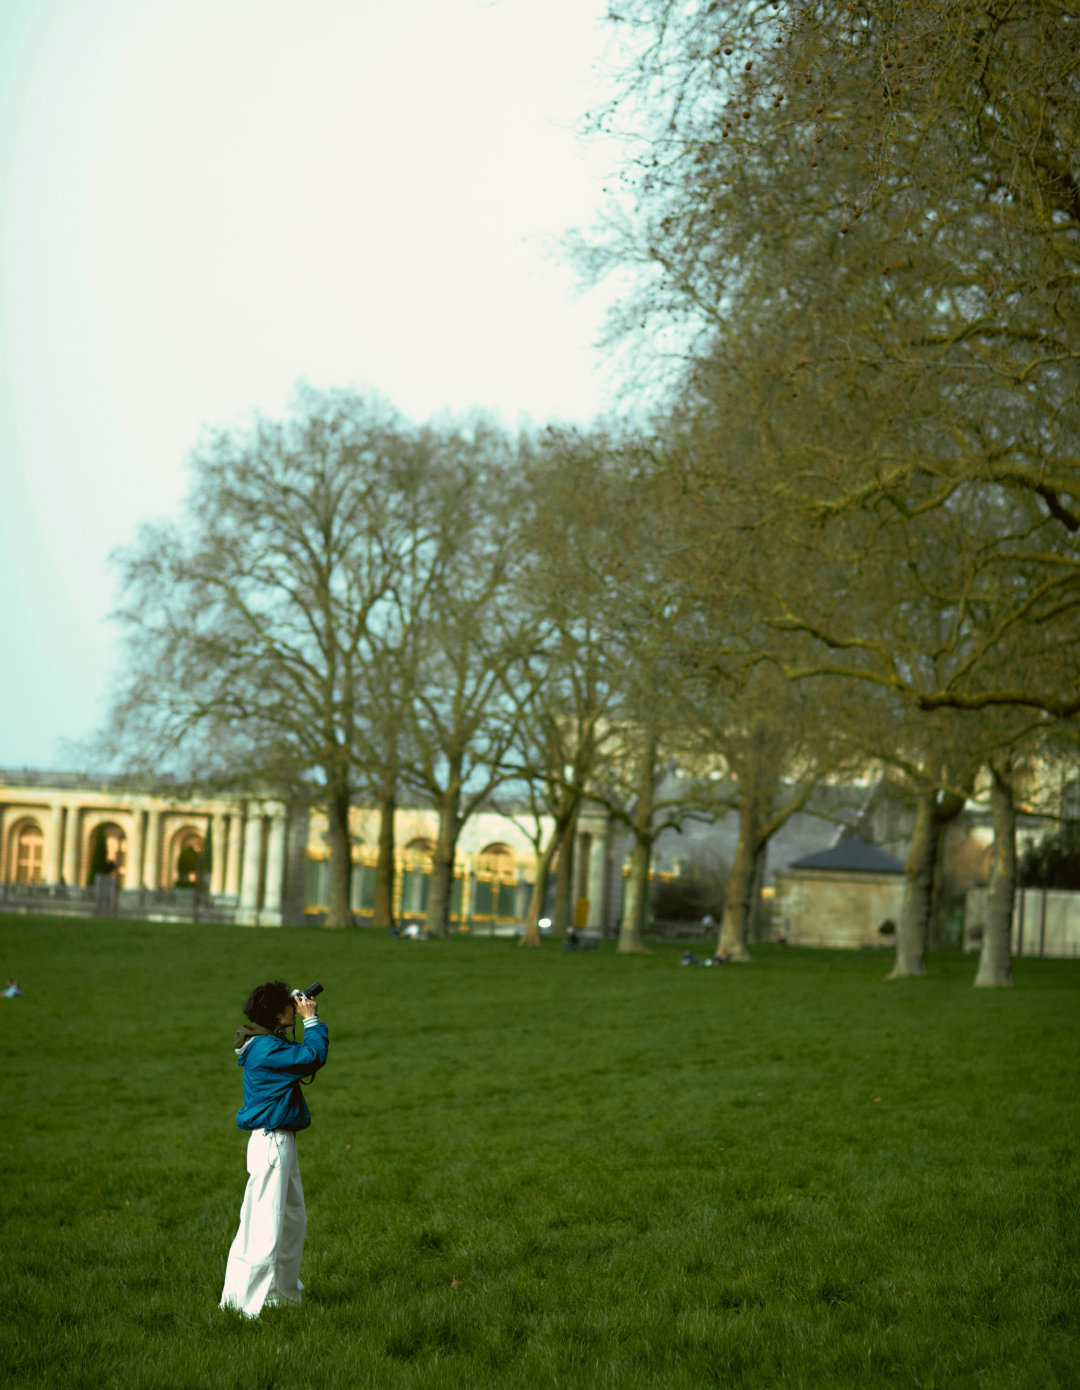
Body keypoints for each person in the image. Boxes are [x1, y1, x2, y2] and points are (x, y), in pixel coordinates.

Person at [220, 981, 329, 1318]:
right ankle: (246, 1307)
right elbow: (312, 1057)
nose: (292, 1009)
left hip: (278, 1140)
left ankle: (281, 1297)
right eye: (287, 1005)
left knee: (290, 1221)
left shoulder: (267, 1042)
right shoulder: (266, 1048)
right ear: (274, 1013)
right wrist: (311, 1021)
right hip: (272, 1142)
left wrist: (297, 1014)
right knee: (265, 1226)